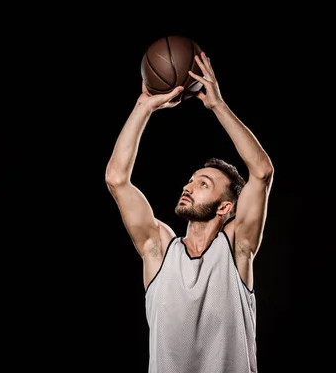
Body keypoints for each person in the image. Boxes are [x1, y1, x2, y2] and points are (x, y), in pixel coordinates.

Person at [105, 51, 274, 373]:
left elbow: (262, 172)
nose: (189, 186)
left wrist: (217, 106)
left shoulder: (237, 249)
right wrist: (144, 105)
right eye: (191, 180)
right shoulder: (159, 250)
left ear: (226, 207)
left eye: (204, 184)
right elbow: (116, 179)